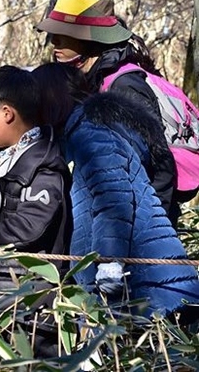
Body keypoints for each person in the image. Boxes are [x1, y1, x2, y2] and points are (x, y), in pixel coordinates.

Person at [33, 63, 199, 322]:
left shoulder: (91, 130)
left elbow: (113, 197)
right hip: (146, 278)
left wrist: (109, 261)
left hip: (142, 281)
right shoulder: (97, 128)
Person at [35, 0, 178, 225]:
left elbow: (159, 165)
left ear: (89, 39)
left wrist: (145, 230)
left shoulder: (124, 86)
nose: (54, 41)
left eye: (63, 33)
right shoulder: (91, 80)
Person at [0, 66, 72, 358]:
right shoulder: (5, 159)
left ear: (6, 113)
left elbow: (30, 225)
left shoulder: (43, 164)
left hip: (31, 295)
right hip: (4, 287)